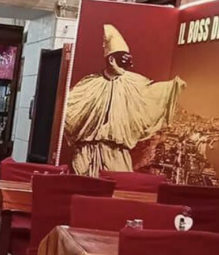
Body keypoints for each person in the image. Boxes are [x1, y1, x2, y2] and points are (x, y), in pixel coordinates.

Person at [65, 24, 185, 177]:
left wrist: (173, 87)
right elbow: (69, 107)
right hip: (87, 153)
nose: (126, 68)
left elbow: (150, 92)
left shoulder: (133, 81)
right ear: (111, 60)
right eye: (122, 62)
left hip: (117, 154)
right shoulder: (89, 83)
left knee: (118, 185)